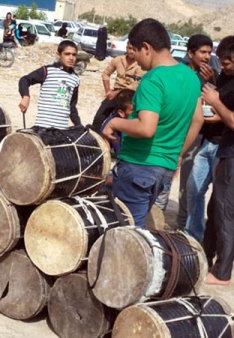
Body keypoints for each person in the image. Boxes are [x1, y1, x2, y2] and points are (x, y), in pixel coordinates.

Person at [102, 18, 203, 227]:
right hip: (164, 168)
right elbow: (197, 120)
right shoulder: (191, 77)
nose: (136, 61)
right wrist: (178, 153)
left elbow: (146, 127)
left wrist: (114, 124)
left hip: (139, 166)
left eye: (136, 52)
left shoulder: (153, 79)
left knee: (127, 234)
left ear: (146, 47)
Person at [182, 34, 224, 242]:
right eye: (203, 52)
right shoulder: (183, 73)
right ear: (191, 53)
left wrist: (213, 83)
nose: (207, 57)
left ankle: (199, 235)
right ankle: (189, 232)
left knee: (211, 194)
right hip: (188, 132)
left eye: (210, 52)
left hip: (205, 137)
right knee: (189, 187)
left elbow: (218, 103)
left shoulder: (215, 74)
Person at [202, 35, 234, 286]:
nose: (224, 68)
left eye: (227, 64)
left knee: (225, 212)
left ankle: (223, 272)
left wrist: (215, 102)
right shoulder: (227, 78)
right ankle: (207, 256)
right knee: (215, 208)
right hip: (226, 152)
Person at [18, 40, 81, 129]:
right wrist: (25, 96)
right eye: (67, 54)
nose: (71, 58)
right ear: (59, 55)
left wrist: (79, 125)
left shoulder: (75, 79)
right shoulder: (47, 71)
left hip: (62, 130)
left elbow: (72, 106)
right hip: (43, 127)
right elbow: (24, 80)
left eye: (74, 55)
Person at [92, 43, 144, 131]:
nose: (131, 51)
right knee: (98, 118)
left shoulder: (141, 64)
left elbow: (136, 84)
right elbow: (106, 74)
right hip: (114, 94)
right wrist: (108, 91)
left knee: (128, 120)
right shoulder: (118, 59)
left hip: (130, 96)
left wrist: (116, 93)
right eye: (130, 48)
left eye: (134, 49)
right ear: (126, 48)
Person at [99, 89, 135, 156]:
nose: (138, 112)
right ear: (121, 113)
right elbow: (104, 153)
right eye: (133, 110)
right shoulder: (109, 128)